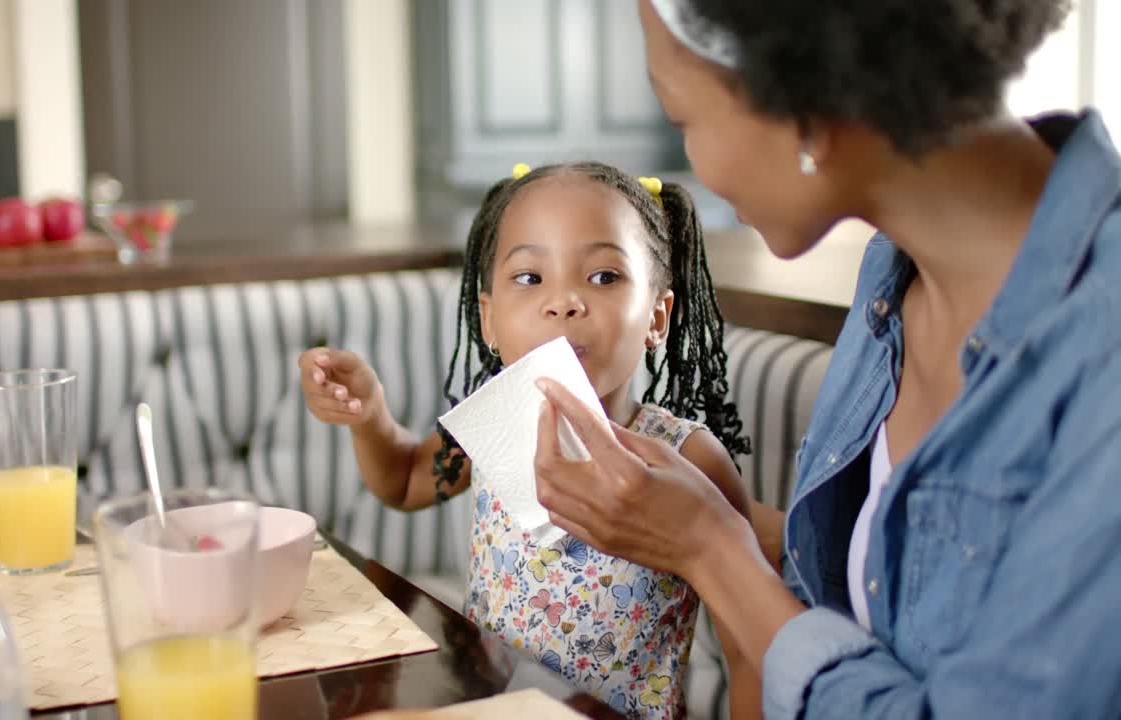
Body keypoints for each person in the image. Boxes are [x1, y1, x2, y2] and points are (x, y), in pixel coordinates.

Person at [533, 0, 1121, 718]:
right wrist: (703, 516)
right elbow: (892, 577)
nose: (693, 162)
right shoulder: (895, 275)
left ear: (802, 104)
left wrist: (712, 551)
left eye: (684, 117)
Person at [300, 160, 752, 718]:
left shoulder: (688, 459)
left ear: (658, 316)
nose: (563, 302)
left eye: (604, 276)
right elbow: (404, 479)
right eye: (530, 278)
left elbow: (747, 651)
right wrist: (369, 416)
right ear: (488, 321)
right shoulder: (495, 420)